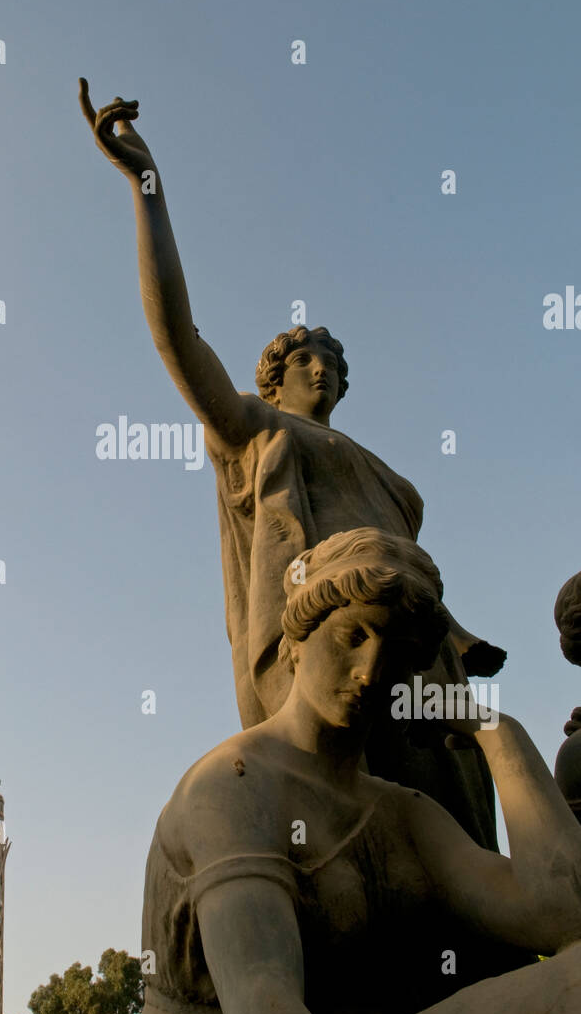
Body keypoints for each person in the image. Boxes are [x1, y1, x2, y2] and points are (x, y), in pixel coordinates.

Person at [80, 80, 503, 848]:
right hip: (326, 644)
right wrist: (146, 187)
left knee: (455, 823)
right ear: (275, 372)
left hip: (417, 648)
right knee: (355, 823)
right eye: (308, 356)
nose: (324, 369)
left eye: (334, 361)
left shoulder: (389, 479)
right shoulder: (255, 427)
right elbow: (177, 336)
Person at [118, 529, 581, 1014]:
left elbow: (565, 917)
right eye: (352, 635)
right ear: (299, 637)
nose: (371, 669)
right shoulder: (231, 787)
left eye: (400, 651)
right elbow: (264, 1004)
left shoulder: (401, 815)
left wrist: (499, 735)